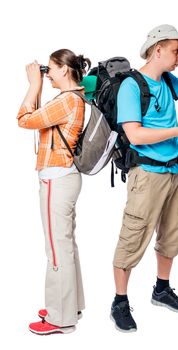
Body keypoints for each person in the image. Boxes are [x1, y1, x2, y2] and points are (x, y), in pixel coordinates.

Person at [111, 24, 178, 332]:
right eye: (176, 51)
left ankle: (162, 290)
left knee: (170, 232)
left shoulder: (167, 80)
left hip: (173, 171)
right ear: (157, 50)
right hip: (147, 173)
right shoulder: (131, 86)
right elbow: (135, 135)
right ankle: (120, 303)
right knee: (133, 236)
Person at [17, 49, 91, 335]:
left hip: (56, 179)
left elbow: (24, 119)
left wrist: (33, 84)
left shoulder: (67, 100)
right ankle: (70, 305)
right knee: (66, 245)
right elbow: (38, 118)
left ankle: (61, 319)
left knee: (57, 250)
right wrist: (37, 85)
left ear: (64, 70)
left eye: (49, 70)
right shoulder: (75, 98)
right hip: (65, 176)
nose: (47, 76)